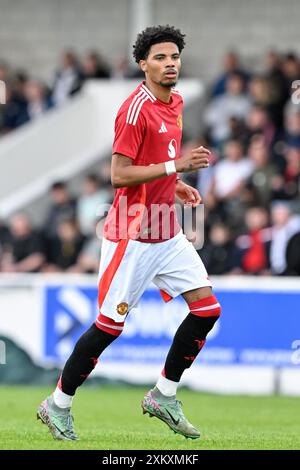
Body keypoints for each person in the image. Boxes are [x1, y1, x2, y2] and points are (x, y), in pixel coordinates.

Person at [37, 25, 221, 441]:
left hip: (167, 232)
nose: (170, 63)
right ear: (143, 64)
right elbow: (119, 175)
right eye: (160, 57)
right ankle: (58, 403)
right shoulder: (134, 110)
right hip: (132, 235)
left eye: (174, 56)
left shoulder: (175, 102)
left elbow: (156, 161)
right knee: (108, 327)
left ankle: (164, 394)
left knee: (207, 310)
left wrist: (175, 185)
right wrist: (177, 169)